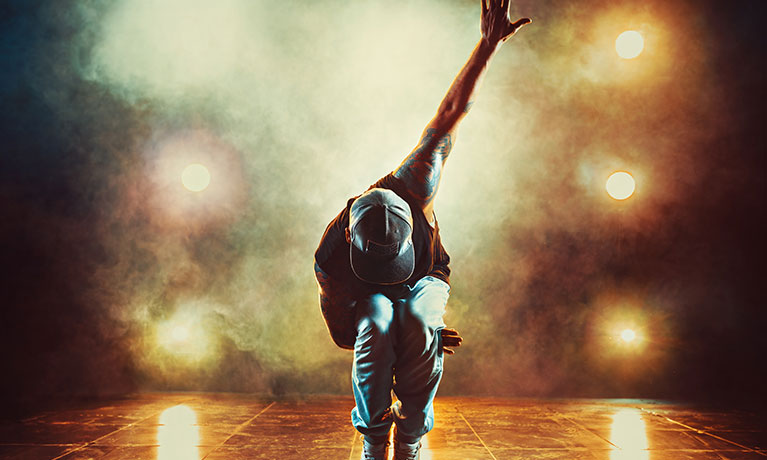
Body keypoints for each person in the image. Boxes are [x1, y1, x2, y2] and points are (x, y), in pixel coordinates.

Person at [314, 1, 531, 458]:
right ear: (354, 243)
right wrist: (395, 345)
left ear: (412, 225)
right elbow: (345, 336)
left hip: (427, 278)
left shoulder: (416, 183)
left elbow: (451, 111)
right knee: (376, 326)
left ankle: (409, 439)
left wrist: (487, 47)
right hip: (367, 300)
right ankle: (376, 442)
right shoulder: (331, 261)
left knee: (417, 320)